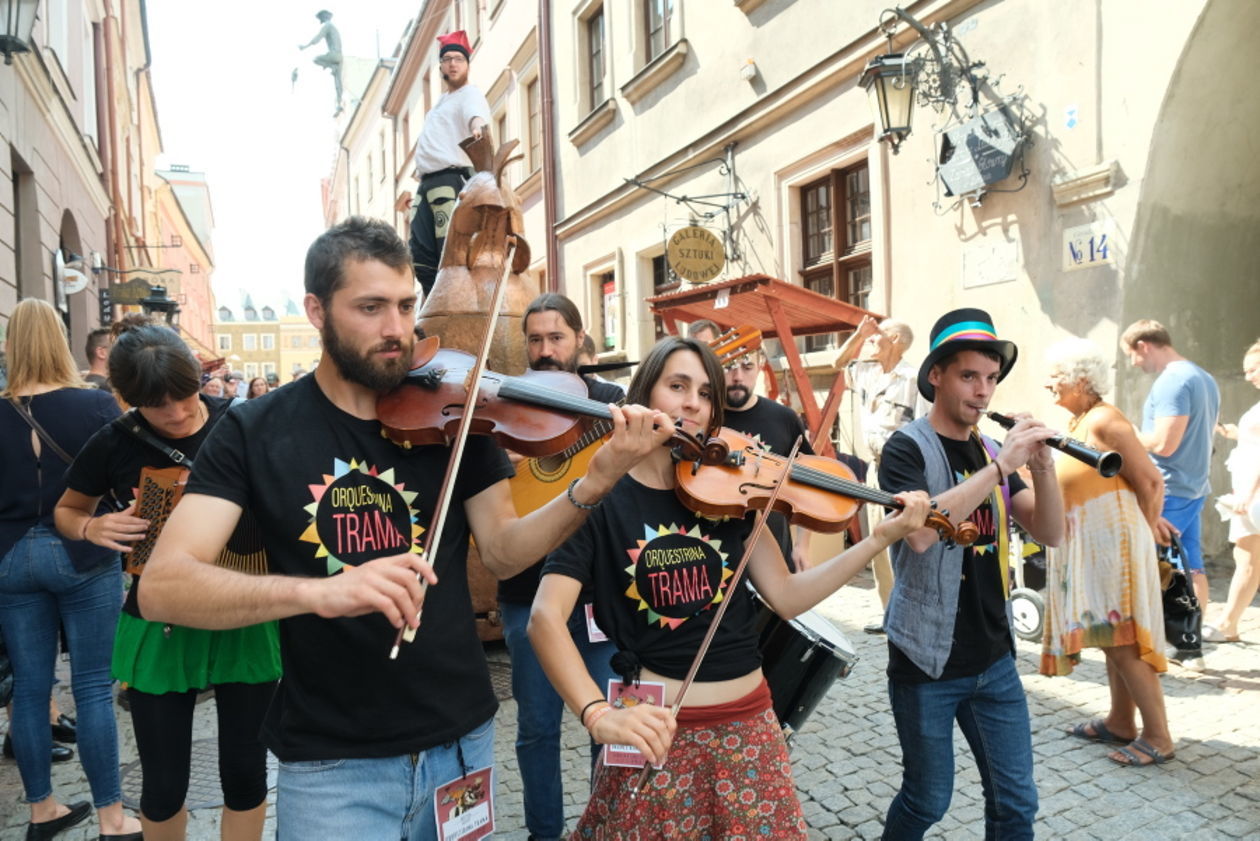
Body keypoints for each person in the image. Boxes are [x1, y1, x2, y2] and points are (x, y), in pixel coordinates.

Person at [137, 216, 664, 841]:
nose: (397, 329)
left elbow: (502, 552)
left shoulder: (458, 414)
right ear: (316, 310)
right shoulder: (256, 430)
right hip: (332, 764)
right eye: (370, 307)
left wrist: (593, 484)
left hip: (459, 742)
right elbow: (163, 586)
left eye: (406, 305)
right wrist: (317, 593)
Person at [530, 335, 931, 838]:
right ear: (644, 394)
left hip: (749, 723)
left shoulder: (731, 491)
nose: (693, 402)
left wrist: (878, 539)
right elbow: (545, 618)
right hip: (656, 729)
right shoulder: (602, 494)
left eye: (705, 392)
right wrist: (595, 714)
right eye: (677, 385)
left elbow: (786, 596)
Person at [55, 323, 281, 841]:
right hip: (160, 618)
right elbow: (68, 511)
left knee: (246, 773)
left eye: (184, 396)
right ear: (126, 399)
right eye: (158, 407)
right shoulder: (114, 442)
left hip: (243, 607)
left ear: (197, 377)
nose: (178, 414)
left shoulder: (243, 422)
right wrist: (93, 526)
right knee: (162, 783)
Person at [877, 308, 1064, 841]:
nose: (983, 391)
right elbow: (920, 533)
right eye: (968, 376)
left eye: (990, 378)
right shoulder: (905, 448)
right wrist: (1002, 467)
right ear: (936, 375)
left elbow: (1050, 532)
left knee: (1016, 802)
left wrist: (1043, 467)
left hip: (994, 656)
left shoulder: (989, 449)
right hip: (927, 659)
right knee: (927, 799)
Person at [0, 299, 141, 841]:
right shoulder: (94, 406)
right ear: (59, 340)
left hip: (12, 556)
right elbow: (126, 480)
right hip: (81, 549)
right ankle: (111, 817)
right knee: (89, 687)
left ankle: (42, 811)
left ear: (12, 345)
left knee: (31, 690)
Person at [498, 293, 622, 841]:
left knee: (609, 727)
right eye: (535, 340)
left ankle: (603, 828)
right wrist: (501, 462)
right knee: (537, 729)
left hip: (597, 597)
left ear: (579, 339)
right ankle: (544, 834)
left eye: (556, 338)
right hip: (527, 590)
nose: (546, 350)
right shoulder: (509, 404)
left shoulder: (610, 402)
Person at [1041, 338, 1174, 767]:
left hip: (1115, 546)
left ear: (1082, 380)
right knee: (1108, 636)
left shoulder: (1105, 421)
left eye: (1056, 377)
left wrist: (1148, 528)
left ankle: (1158, 737)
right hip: (1096, 546)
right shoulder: (1083, 420)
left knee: (1125, 641)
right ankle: (1120, 722)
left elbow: (1151, 482)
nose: (1049, 385)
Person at [687, 320, 815, 571]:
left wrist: (802, 546)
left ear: (760, 367)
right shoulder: (703, 417)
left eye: (747, 367)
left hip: (774, 553)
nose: (737, 377)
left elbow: (809, 485)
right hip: (713, 553)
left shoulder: (784, 418)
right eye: (729, 368)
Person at [1122, 319, 1220, 622]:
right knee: (1191, 565)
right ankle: (1191, 639)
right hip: (1192, 486)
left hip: (1168, 490)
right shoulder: (1204, 377)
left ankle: (1157, 636)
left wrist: (1130, 436)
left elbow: (1165, 443)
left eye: (1132, 355)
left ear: (1144, 346)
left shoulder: (1172, 381)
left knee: (1150, 566)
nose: (1134, 363)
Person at [833, 315, 927, 632]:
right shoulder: (866, 373)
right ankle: (891, 615)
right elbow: (837, 362)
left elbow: (924, 425)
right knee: (880, 541)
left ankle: (913, 615)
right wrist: (859, 334)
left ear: (896, 340)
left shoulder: (914, 378)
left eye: (877, 337)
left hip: (903, 467)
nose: (871, 341)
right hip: (875, 466)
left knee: (908, 539)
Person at [408, 30, 490, 296]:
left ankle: (454, 300)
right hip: (427, 183)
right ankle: (435, 303)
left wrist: (478, 129)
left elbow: (475, 116)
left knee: (450, 250)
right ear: (441, 65)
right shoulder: (438, 105)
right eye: (448, 59)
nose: (453, 63)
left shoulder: (470, 94)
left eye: (458, 59)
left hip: (449, 180)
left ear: (467, 64)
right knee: (418, 252)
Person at [1205, 339, 1260, 642]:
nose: (1248, 376)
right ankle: (1230, 623)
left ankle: (1228, 623)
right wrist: (1225, 430)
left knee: (1248, 557)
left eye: (1253, 370)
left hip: (1254, 494)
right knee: (1247, 558)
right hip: (1248, 492)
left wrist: (1248, 496)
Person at [298, 9, 343, 114]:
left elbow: (317, 38)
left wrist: (305, 46)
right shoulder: (333, 26)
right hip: (339, 56)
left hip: (334, 55)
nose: (320, 20)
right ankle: (339, 105)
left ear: (324, 17)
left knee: (315, 59)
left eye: (320, 18)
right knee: (338, 83)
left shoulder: (327, 25)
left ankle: (332, 67)